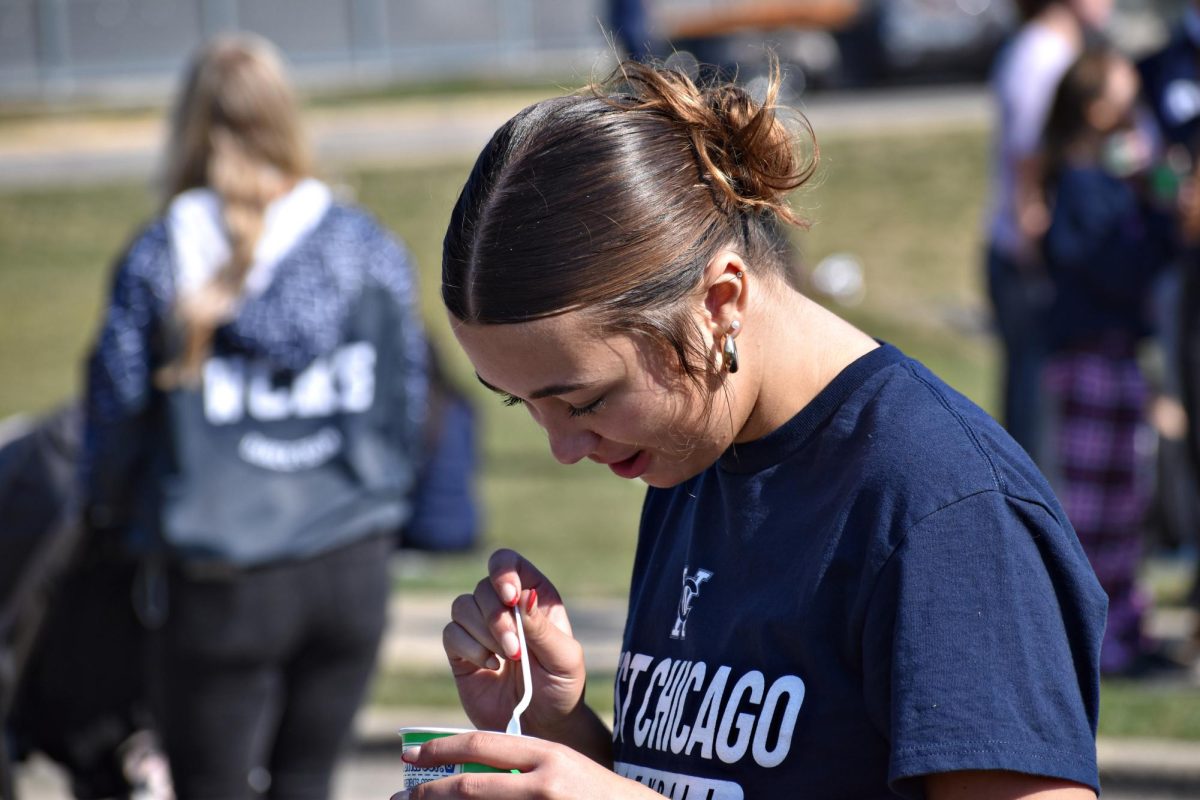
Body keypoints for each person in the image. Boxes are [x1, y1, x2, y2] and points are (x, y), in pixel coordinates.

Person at [389, 60, 1107, 799]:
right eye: (520, 404)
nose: (564, 450)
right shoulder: (698, 450)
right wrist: (562, 724)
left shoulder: (945, 509)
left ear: (720, 300)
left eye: (585, 401)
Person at [82, 33, 427, 799]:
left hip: (219, 570)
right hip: (349, 560)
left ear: (191, 123)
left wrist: (110, 518)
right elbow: (408, 398)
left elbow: (116, 414)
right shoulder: (362, 243)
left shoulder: (163, 253)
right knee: (308, 782)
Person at [1038, 47, 1176, 676]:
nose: (1137, 107)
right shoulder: (1080, 186)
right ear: (1095, 108)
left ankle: (1126, 630)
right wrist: (1158, 215)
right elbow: (1116, 267)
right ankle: (1093, 642)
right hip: (1089, 361)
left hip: (1119, 359)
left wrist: (1157, 200)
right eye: (1126, 95)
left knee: (1127, 509)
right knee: (1093, 516)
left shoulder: (1113, 181)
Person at [984, 0, 1113, 465]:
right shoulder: (1040, 54)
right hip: (1028, 260)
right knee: (1033, 420)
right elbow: (1027, 169)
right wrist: (1037, 255)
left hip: (1037, 258)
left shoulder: (1058, 48)